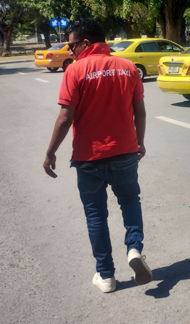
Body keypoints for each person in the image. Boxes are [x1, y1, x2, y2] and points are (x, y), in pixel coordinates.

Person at [43, 18, 152, 293]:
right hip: (125, 152)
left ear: (86, 43)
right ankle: (134, 249)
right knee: (130, 202)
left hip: (88, 159)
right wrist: (140, 143)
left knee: (96, 216)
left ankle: (105, 276)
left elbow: (66, 116)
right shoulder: (128, 67)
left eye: (71, 45)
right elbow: (140, 111)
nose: (70, 51)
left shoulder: (75, 71)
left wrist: (50, 152)